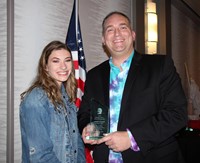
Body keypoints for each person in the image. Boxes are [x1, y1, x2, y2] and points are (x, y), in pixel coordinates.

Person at [78, 11, 187, 163]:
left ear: (133, 34)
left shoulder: (160, 66)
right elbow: (84, 113)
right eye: (110, 29)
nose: (117, 34)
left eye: (123, 27)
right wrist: (87, 127)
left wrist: (132, 137)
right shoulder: (94, 75)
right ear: (103, 39)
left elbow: (177, 114)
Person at [20, 40, 86, 163]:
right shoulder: (36, 100)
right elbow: (40, 156)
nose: (63, 66)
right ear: (45, 67)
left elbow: (77, 143)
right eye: (56, 61)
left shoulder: (67, 96)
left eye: (67, 60)